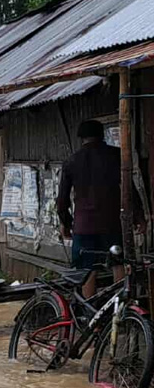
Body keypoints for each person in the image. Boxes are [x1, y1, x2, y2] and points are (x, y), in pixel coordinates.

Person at [57, 119, 146, 298]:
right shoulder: (116, 155)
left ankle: (91, 318)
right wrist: (139, 217)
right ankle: (119, 312)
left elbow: (62, 200)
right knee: (118, 264)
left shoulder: (71, 161)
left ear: (81, 137)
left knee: (87, 271)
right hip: (111, 224)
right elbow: (129, 188)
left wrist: (66, 223)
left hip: (83, 227)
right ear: (102, 135)